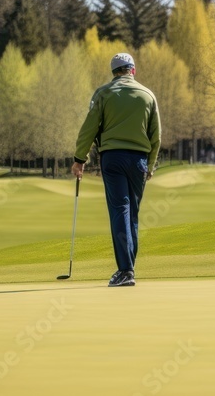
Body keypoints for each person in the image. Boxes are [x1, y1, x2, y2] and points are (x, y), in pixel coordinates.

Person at [72, 52, 161, 287]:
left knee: (120, 209)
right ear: (133, 70)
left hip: (112, 158)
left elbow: (89, 128)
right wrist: (150, 166)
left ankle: (125, 270)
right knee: (132, 213)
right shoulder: (148, 95)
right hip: (139, 161)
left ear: (114, 72)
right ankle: (128, 269)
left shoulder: (103, 93)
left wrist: (79, 159)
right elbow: (156, 137)